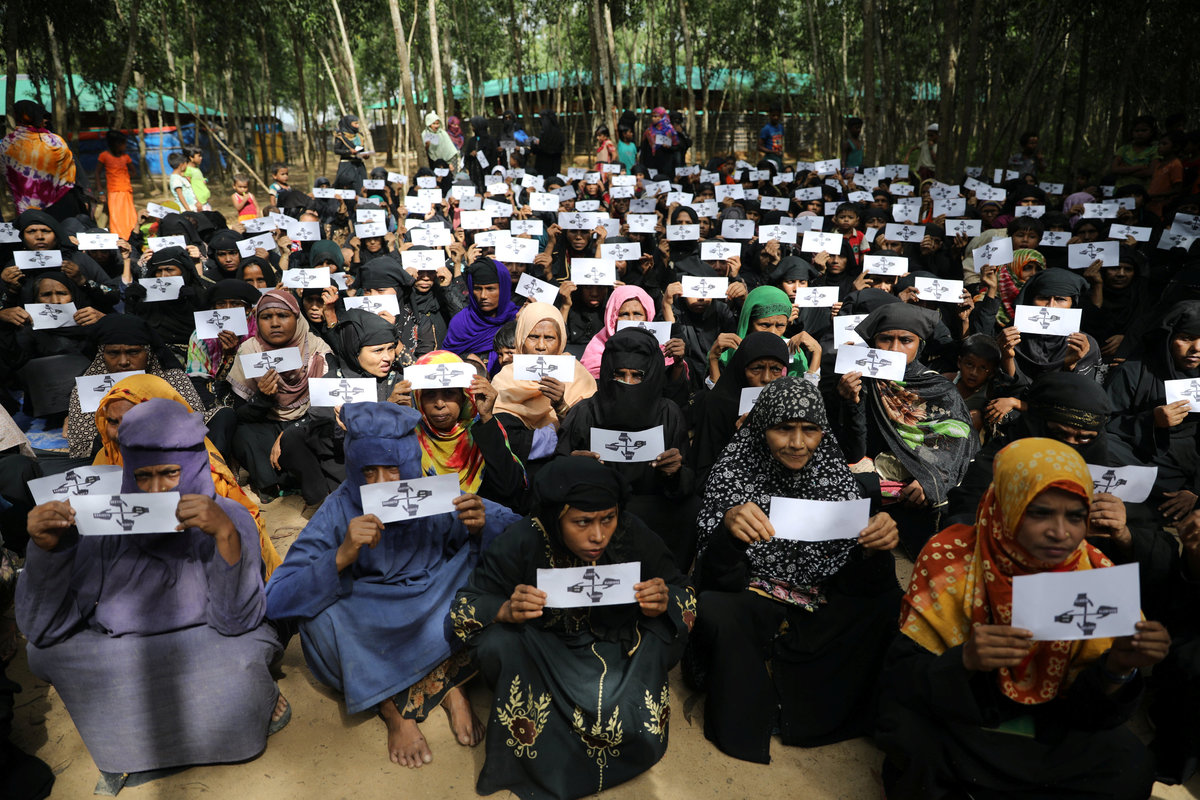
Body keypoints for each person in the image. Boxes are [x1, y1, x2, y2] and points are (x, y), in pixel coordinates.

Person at [16, 398, 286, 792]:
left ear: (194, 466)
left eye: (171, 473)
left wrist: (224, 536)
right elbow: (45, 628)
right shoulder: (106, 520)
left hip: (211, 641)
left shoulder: (231, 516)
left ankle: (228, 720)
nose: (157, 489)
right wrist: (47, 550)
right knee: (43, 653)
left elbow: (236, 621)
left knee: (245, 651)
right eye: (143, 476)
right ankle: (140, 746)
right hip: (121, 648)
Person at [875, 438, 1169, 799]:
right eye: (1040, 513)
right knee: (910, 736)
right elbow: (902, 679)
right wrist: (965, 660)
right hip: (965, 717)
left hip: (1049, 727)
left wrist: (1119, 668)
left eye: (1075, 516)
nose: (1060, 532)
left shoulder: (1096, 576)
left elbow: (1091, 714)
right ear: (1007, 505)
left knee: (1130, 765)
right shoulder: (949, 558)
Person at [265, 402, 519, 767]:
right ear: (353, 467)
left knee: (480, 571)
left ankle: (451, 688)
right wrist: (340, 556)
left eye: (394, 468)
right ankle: (391, 708)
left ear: (412, 464)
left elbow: (518, 528)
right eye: (369, 471)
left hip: (432, 599)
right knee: (319, 622)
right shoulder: (338, 509)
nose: (383, 482)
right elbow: (277, 596)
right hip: (370, 615)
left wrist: (481, 525)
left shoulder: (433, 493)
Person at [450, 456, 696, 799]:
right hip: (544, 652)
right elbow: (466, 606)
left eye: (608, 518)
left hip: (617, 649)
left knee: (661, 632)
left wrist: (664, 598)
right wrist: (505, 609)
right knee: (497, 643)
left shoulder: (631, 533)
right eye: (582, 522)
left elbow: (684, 592)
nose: (598, 535)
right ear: (556, 516)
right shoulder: (522, 540)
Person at [691, 377, 901, 762]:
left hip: (822, 596)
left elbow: (859, 580)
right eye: (784, 428)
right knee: (716, 608)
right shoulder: (734, 471)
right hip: (753, 592)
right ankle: (757, 705)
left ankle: (818, 708)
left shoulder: (834, 475)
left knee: (888, 605)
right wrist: (729, 533)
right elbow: (715, 575)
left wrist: (876, 547)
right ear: (761, 427)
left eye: (810, 429)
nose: (798, 443)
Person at [91, 373, 283, 579]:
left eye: (135, 421)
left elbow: (229, 535)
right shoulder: (107, 458)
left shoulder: (200, 468)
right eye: (113, 422)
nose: (122, 433)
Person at [835, 303, 977, 554]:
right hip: (871, 486)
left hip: (917, 493)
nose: (894, 348)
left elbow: (957, 444)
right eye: (885, 339)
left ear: (920, 344)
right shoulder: (860, 381)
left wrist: (928, 481)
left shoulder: (939, 388)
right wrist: (851, 403)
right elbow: (854, 450)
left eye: (906, 340)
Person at [557, 327, 697, 566]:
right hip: (595, 510)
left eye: (637, 375)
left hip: (654, 507)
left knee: (691, 508)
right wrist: (574, 467)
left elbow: (687, 482)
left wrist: (674, 473)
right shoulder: (584, 413)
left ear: (652, 375)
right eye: (619, 375)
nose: (628, 384)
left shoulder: (668, 414)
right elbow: (554, 476)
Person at [228, 290, 331, 497]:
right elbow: (241, 413)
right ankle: (272, 485)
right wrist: (263, 398)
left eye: (283, 315)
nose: (274, 323)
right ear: (257, 321)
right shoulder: (250, 351)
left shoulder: (317, 349)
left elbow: (326, 405)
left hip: (307, 423)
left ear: (297, 317)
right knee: (241, 432)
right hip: (268, 423)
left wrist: (290, 432)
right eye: (266, 317)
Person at [411, 350, 529, 509]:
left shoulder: (483, 429)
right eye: (429, 394)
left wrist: (487, 417)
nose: (439, 404)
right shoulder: (409, 436)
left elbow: (509, 487)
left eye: (449, 393)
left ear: (464, 396)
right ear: (418, 398)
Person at [489, 302, 597, 468]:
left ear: (561, 341)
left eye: (549, 338)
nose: (540, 346)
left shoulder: (579, 376)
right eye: (533, 337)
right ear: (521, 338)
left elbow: (586, 435)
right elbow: (498, 437)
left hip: (562, 466)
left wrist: (561, 406)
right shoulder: (504, 379)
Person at [0, 100, 78, 216]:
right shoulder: (55, 141)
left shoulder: (7, 143)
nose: (45, 120)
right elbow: (68, 172)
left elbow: (5, 173)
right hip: (58, 206)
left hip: (25, 211)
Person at [443, 258, 520, 370]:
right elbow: (446, 358)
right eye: (478, 289)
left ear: (503, 289)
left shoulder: (517, 318)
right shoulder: (461, 322)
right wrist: (465, 357)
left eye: (490, 289)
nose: (483, 296)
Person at [95, 130, 137, 239]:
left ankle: (131, 238)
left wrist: (124, 177)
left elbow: (133, 172)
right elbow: (97, 173)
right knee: (116, 218)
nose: (125, 146)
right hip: (113, 193)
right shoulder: (104, 156)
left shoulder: (126, 157)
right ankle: (120, 239)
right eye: (123, 143)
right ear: (116, 144)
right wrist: (100, 191)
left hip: (126, 191)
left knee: (129, 217)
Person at [333, 115, 370, 192]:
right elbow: (336, 150)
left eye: (358, 123)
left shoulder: (359, 136)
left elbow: (362, 150)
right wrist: (349, 152)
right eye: (355, 123)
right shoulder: (341, 136)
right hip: (346, 166)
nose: (357, 125)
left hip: (359, 166)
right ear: (348, 124)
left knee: (361, 188)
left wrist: (365, 155)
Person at [529, 110, 564, 177]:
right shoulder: (559, 133)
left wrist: (535, 144)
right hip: (555, 165)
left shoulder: (544, 133)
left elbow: (541, 148)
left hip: (543, 164)